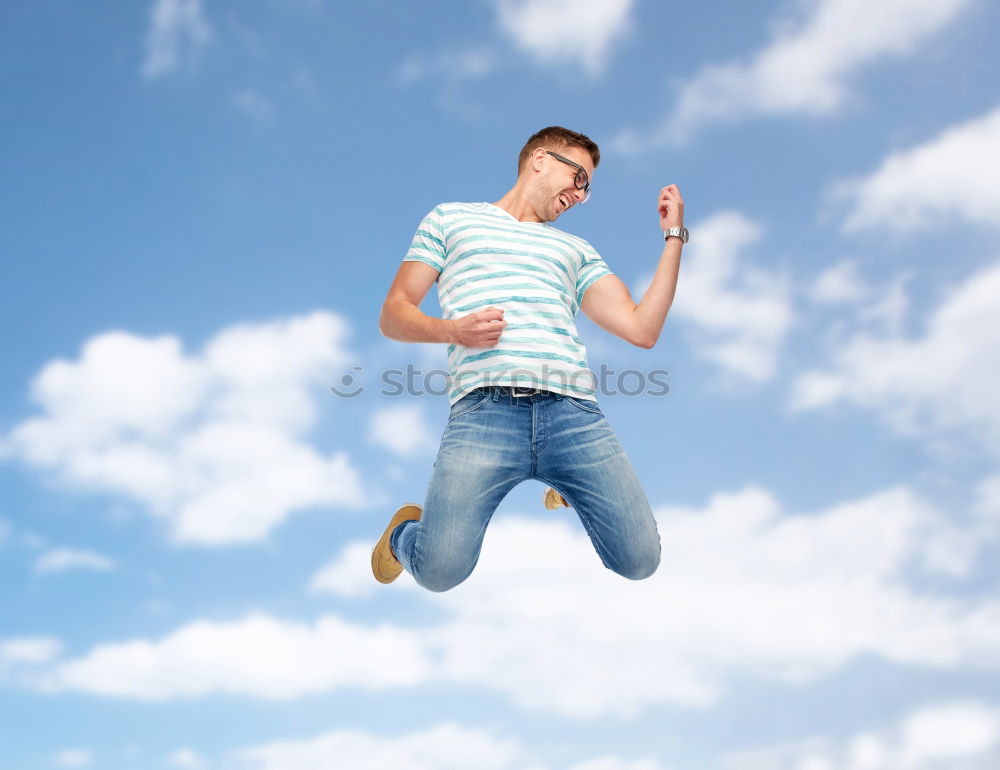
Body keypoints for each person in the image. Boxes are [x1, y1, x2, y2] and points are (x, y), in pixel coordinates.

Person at [372, 126, 686, 592]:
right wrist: (451, 330)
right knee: (440, 572)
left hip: (572, 416)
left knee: (640, 560)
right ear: (540, 158)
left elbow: (643, 330)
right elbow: (393, 314)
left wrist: (674, 237)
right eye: (578, 177)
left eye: (588, 189)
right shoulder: (451, 220)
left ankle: (568, 482)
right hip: (484, 413)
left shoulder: (575, 250)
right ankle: (403, 535)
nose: (580, 195)